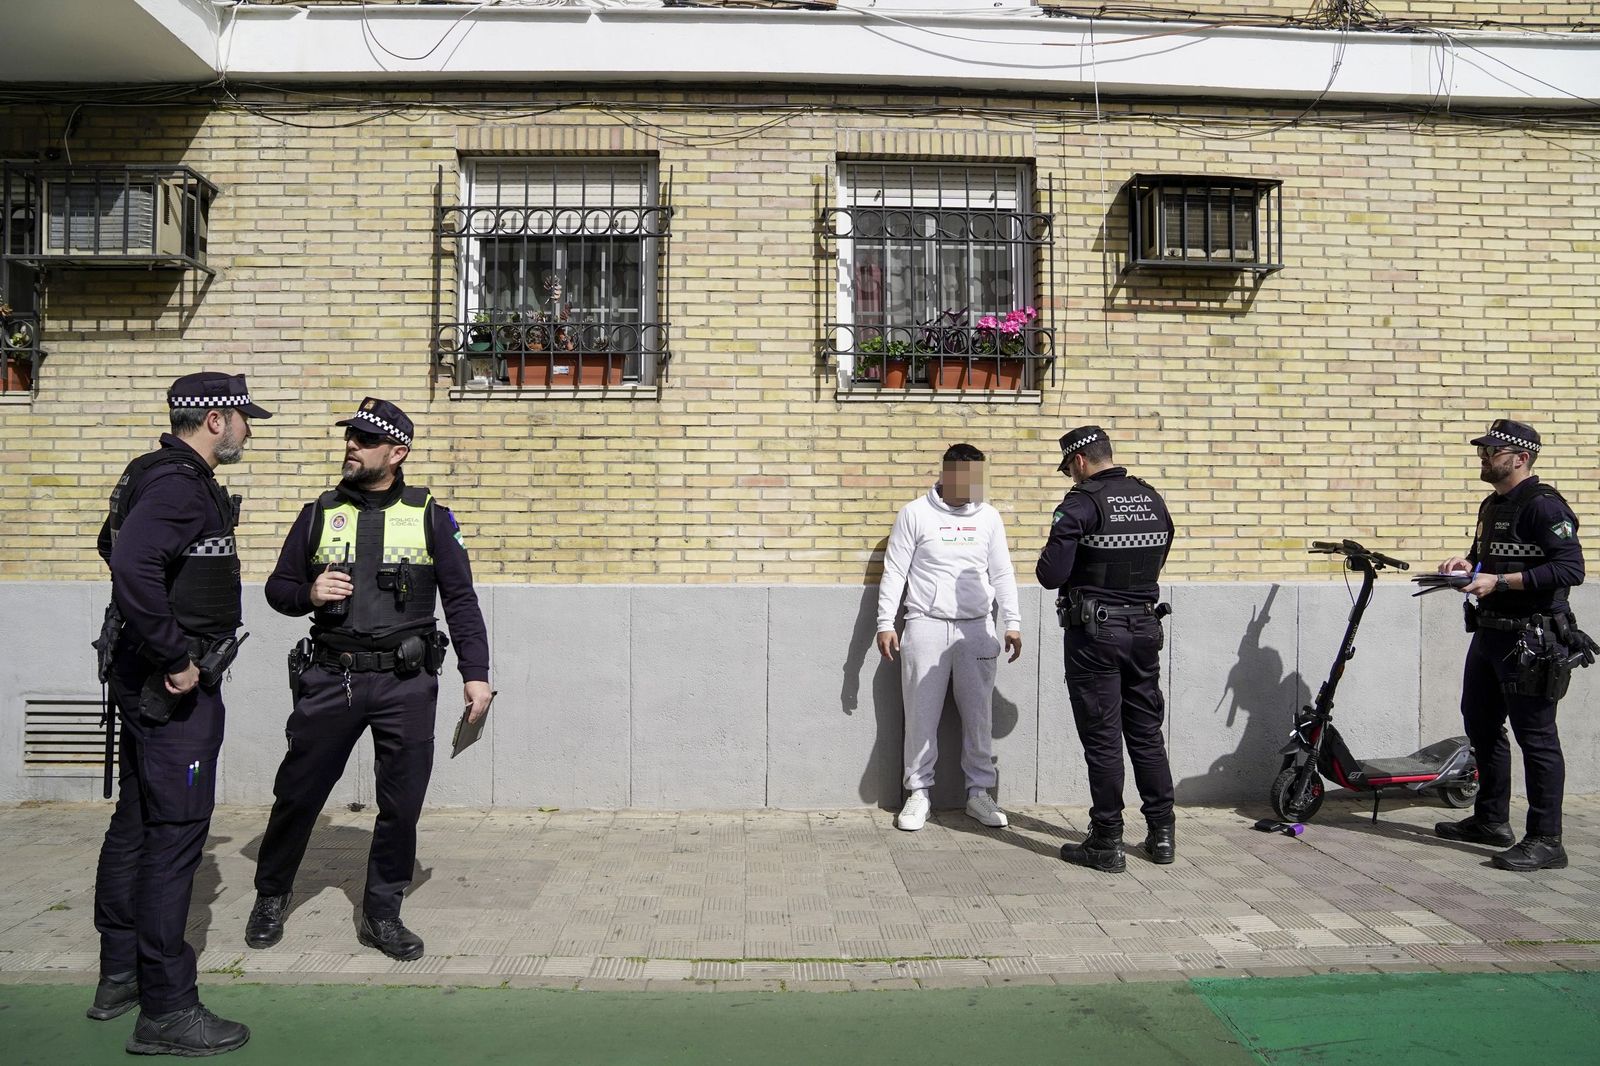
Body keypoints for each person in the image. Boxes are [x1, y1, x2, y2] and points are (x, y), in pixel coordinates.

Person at [246, 398, 492, 960]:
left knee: (401, 804)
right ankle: (271, 894)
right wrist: (307, 593)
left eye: (365, 439)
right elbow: (277, 589)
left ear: (397, 453)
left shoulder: (431, 515)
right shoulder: (318, 513)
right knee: (298, 794)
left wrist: (475, 675)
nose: (352, 446)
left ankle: (382, 911)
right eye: (350, 437)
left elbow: (461, 601)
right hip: (332, 678)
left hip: (406, 683)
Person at [91, 372, 267, 1057]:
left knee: (136, 823)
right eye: (245, 418)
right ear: (216, 419)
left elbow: (114, 545)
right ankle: (166, 1007)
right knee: (174, 837)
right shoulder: (177, 484)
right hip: (173, 691)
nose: (249, 428)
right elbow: (131, 564)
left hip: (144, 683)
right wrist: (172, 655)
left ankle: (119, 976)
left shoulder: (151, 473)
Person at [1435, 419, 1585, 871]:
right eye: (1483, 450)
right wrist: (1467, 563)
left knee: (1536, 738)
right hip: (1489, 633)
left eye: (1493, 451)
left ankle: (1546, 840)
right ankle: (1490, 819)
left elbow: (1570, 569)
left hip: (1531, 639)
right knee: (1480, 725)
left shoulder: (1544, 506)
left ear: (1520, 458)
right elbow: (1489, 555)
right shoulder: (1492, 503)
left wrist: (1498, 580)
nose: (1484, 457)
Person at [1036, 425, 1175, 873]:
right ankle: (1162, 834)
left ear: (1078, 461)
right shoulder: (1151, 498)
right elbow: (1159, 553)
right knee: (1147, 734)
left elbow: (1050, 574)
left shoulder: (1081, 502)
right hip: (1145, 628)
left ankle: (1107, 840)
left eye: (1068, 470)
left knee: (1103, 740)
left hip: (1096, 635)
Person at [875, 443, 1023, 831]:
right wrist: (885, 622)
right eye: (967, 478)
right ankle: (918, 795)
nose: (974, 486)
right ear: (948, 474)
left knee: (979, 718)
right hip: (925, 624)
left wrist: (1012, 622)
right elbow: (895, 571)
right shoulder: (915, 514)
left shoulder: (989, 517)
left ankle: (978, 795)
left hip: (976, 627)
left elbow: (1002, 573)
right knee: (921, 716)